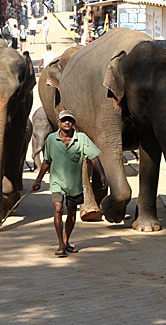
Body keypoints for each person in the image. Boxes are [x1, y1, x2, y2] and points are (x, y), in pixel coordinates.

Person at [32, 109, 109, 257]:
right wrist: (38, 180)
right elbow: (47, 162)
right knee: (58, 209)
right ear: (59, 122)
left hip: (74, 183)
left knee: (72, 212)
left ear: (73, 123)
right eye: (64, 120)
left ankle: (67, 240)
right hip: (57, 182)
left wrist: (102, 175)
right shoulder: (51, 140)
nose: (67, 122)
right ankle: (60, 243)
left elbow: (94, 158)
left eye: (70, 120)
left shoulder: (82, 138)